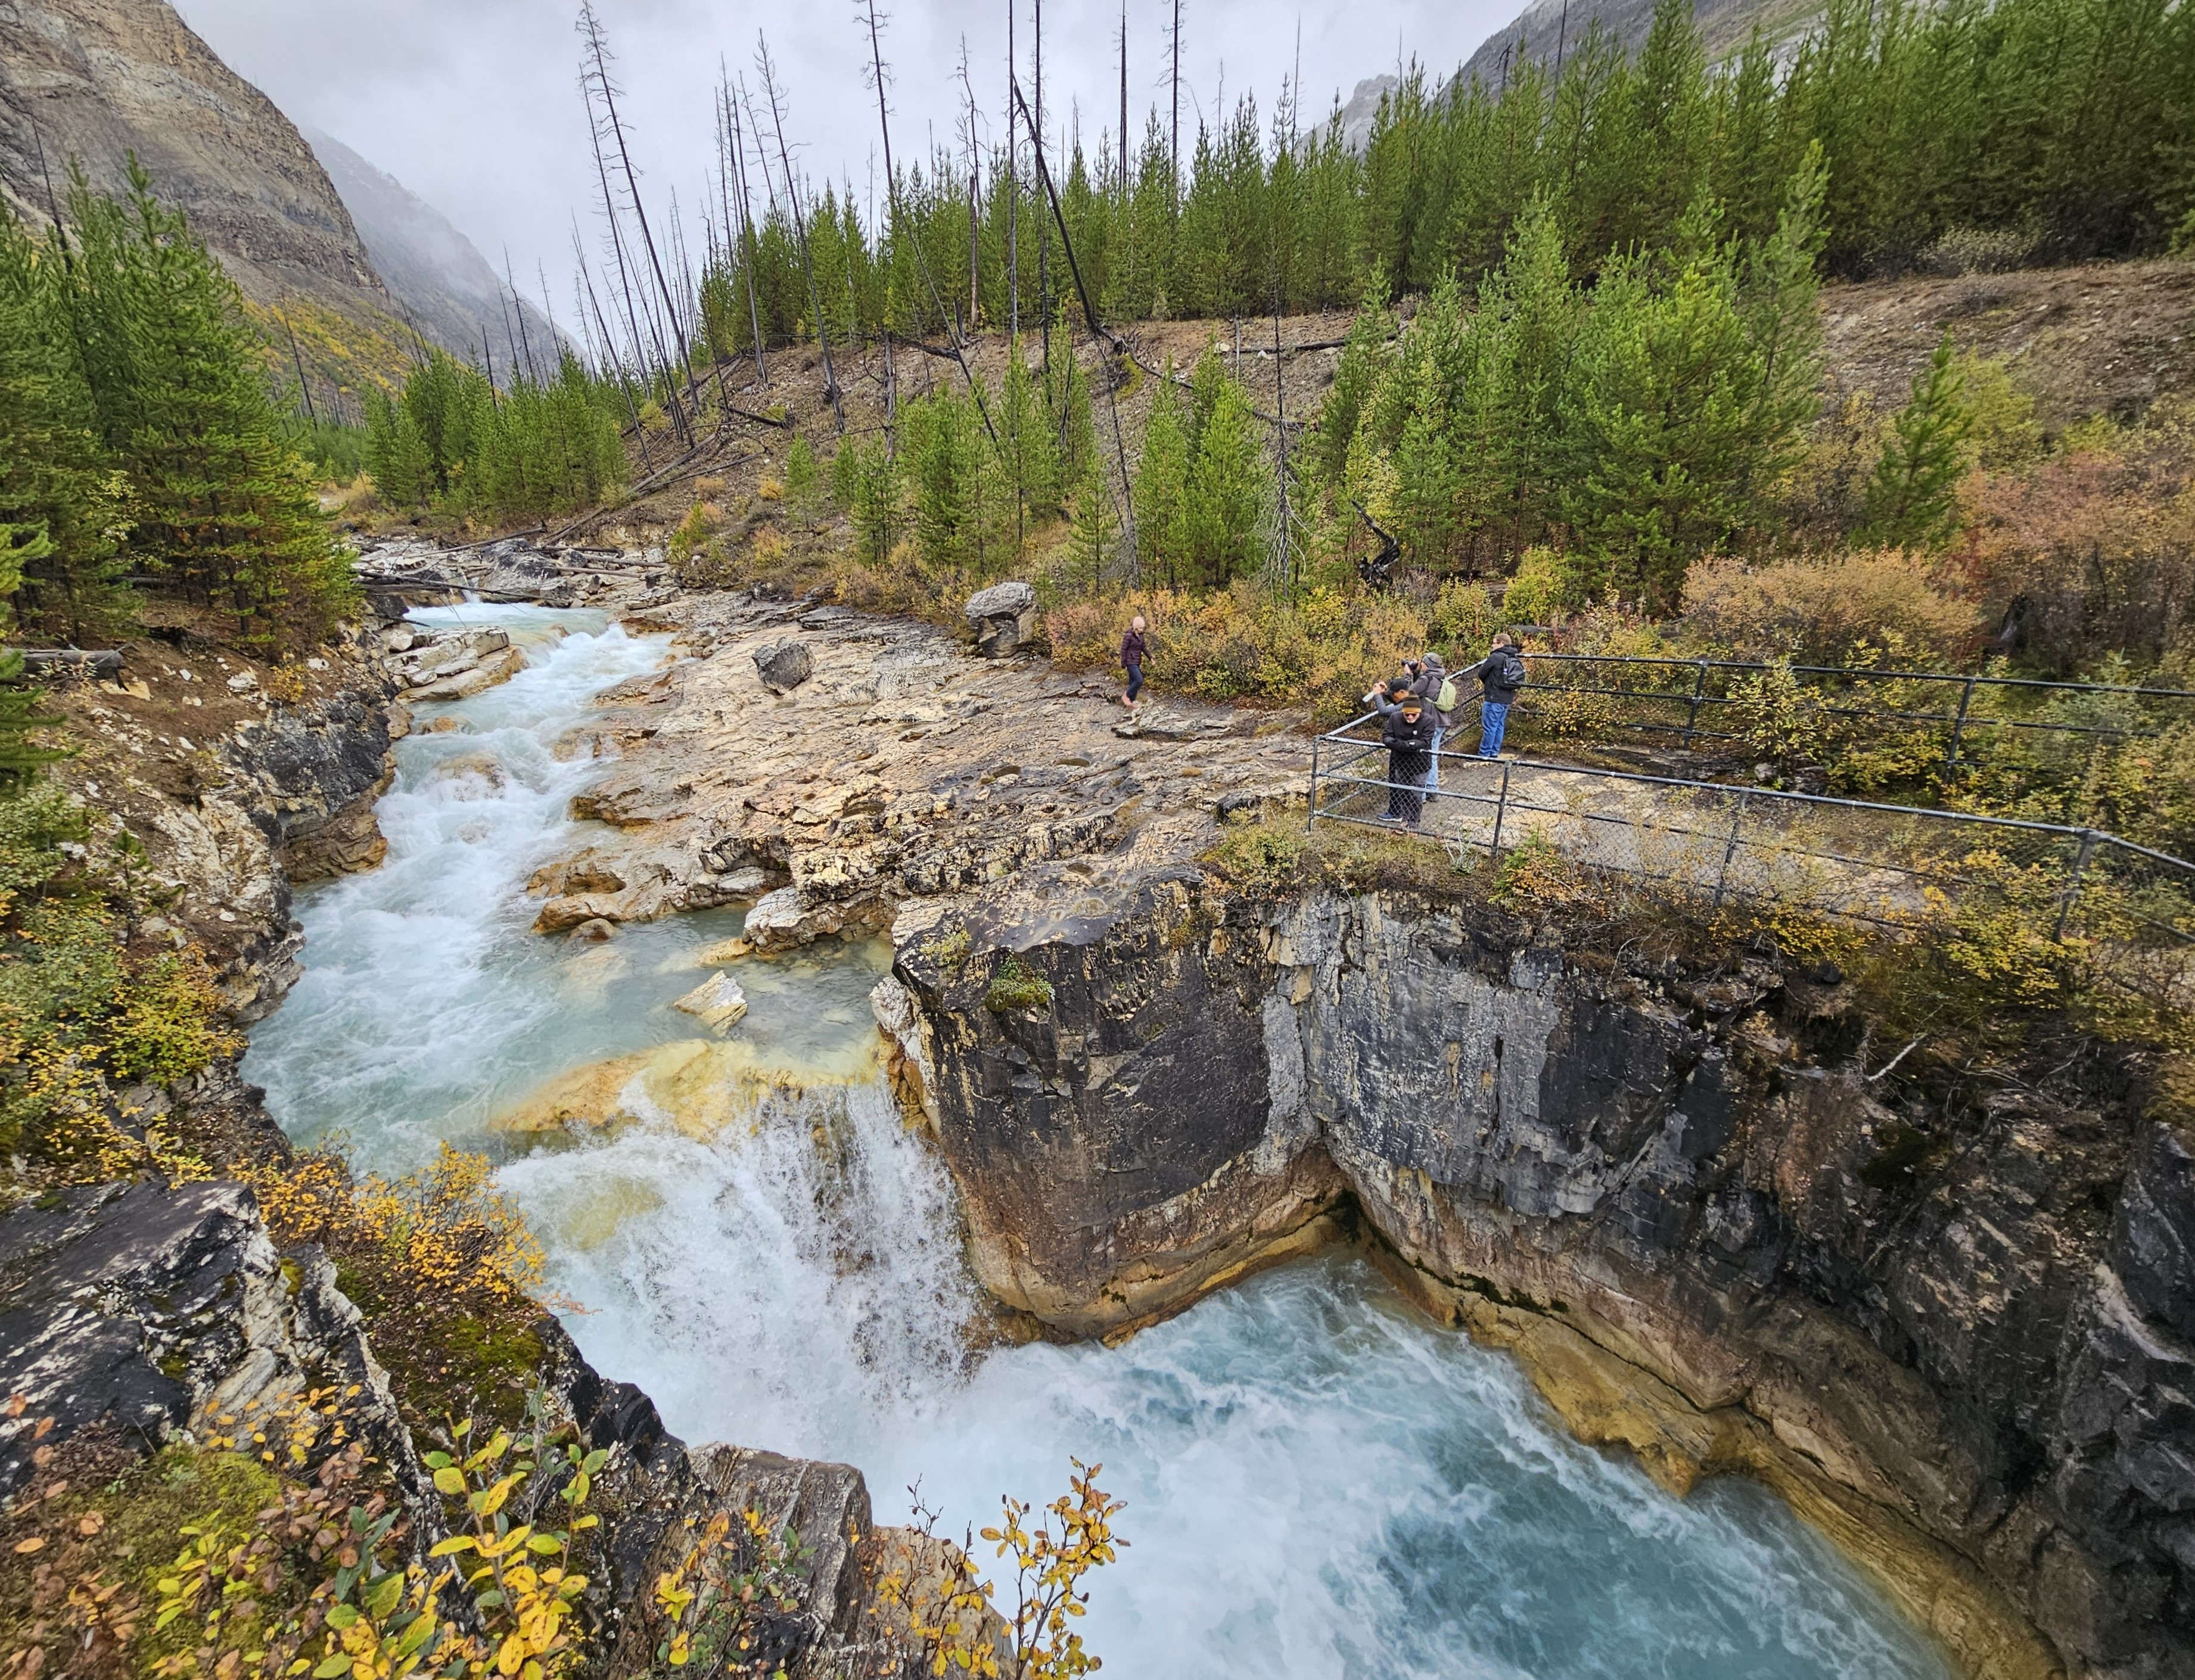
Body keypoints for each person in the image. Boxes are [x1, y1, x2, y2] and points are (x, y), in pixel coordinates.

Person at [1458, 633, 1526, 758]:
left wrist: (1490, 684)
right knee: (1499, 725)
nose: (1492, 645)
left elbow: (1482, 673)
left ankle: (1484, 754)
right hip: (1507, 698)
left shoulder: (1495, 657)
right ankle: (1494, 752)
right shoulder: (1513, 656)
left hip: (1494, 697)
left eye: (1494, 642)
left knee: (1489, 726)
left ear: (1501, 644)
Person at [1381, 689, 1437, 826]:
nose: (1410, 717)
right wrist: (1404, 745)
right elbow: (1387, 736)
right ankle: (1405, 820)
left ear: (1420, 712)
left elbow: (1424, 742)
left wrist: (1400, 745)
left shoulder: (1428, 721)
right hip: (1401, 763)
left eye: (1414, 715)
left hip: (1420, 765)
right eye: (1407, 714)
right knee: (1403, 793)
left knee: (1416, 795)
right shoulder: (1395, 718)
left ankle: (1413, 823)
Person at [1118, 615, 1147, 709]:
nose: (1142, 630)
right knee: (1139, 680)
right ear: (1136, 627)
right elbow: (1123, 650)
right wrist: (1123, 663)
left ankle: (1131, 703)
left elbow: (1144, 648)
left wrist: (1151, 658)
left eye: (1142, 628)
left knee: (1133, 682)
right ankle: (1125, 696)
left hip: (1137, 661)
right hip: (1130, 662)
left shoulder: (1141, 636)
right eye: (1140, 628)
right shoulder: (1129, 636)